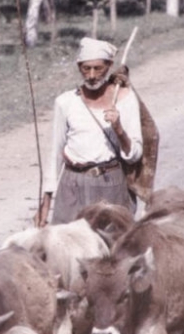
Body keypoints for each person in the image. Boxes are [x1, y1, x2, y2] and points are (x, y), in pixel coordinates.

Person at [36, 37, 143, 225]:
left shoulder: (125, 99)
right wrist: (45, 204)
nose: (92, 75)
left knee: (112, 248)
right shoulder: (66, 102)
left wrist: (119, 129)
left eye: (98, 68)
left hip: (110, 184)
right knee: (66, 247)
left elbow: (134, 155)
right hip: (72, 185)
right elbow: (55, 154)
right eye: (86, 68)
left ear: (109, 66)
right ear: (79, 67)